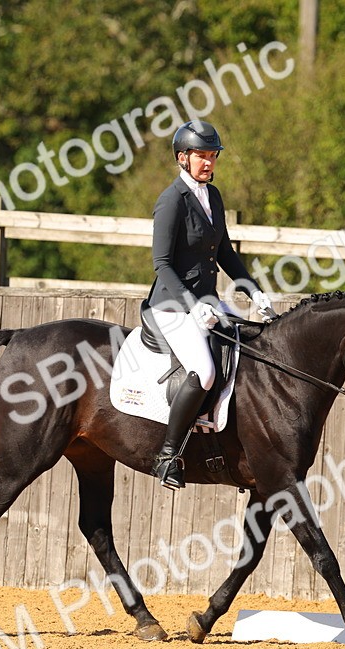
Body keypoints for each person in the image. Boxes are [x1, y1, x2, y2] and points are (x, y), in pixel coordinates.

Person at [141, 119, 275, 490]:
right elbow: (162, 264)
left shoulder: (212, 196)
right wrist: (190, 303)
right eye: (201, 156)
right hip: (171, 305)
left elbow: (226, 253)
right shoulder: (171, 201)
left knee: (253, 345)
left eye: (212, 156)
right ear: (183, 158)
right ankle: (168, 456)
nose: (208, 162)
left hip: (208, 302)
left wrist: (254, 291)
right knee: (204, 370)